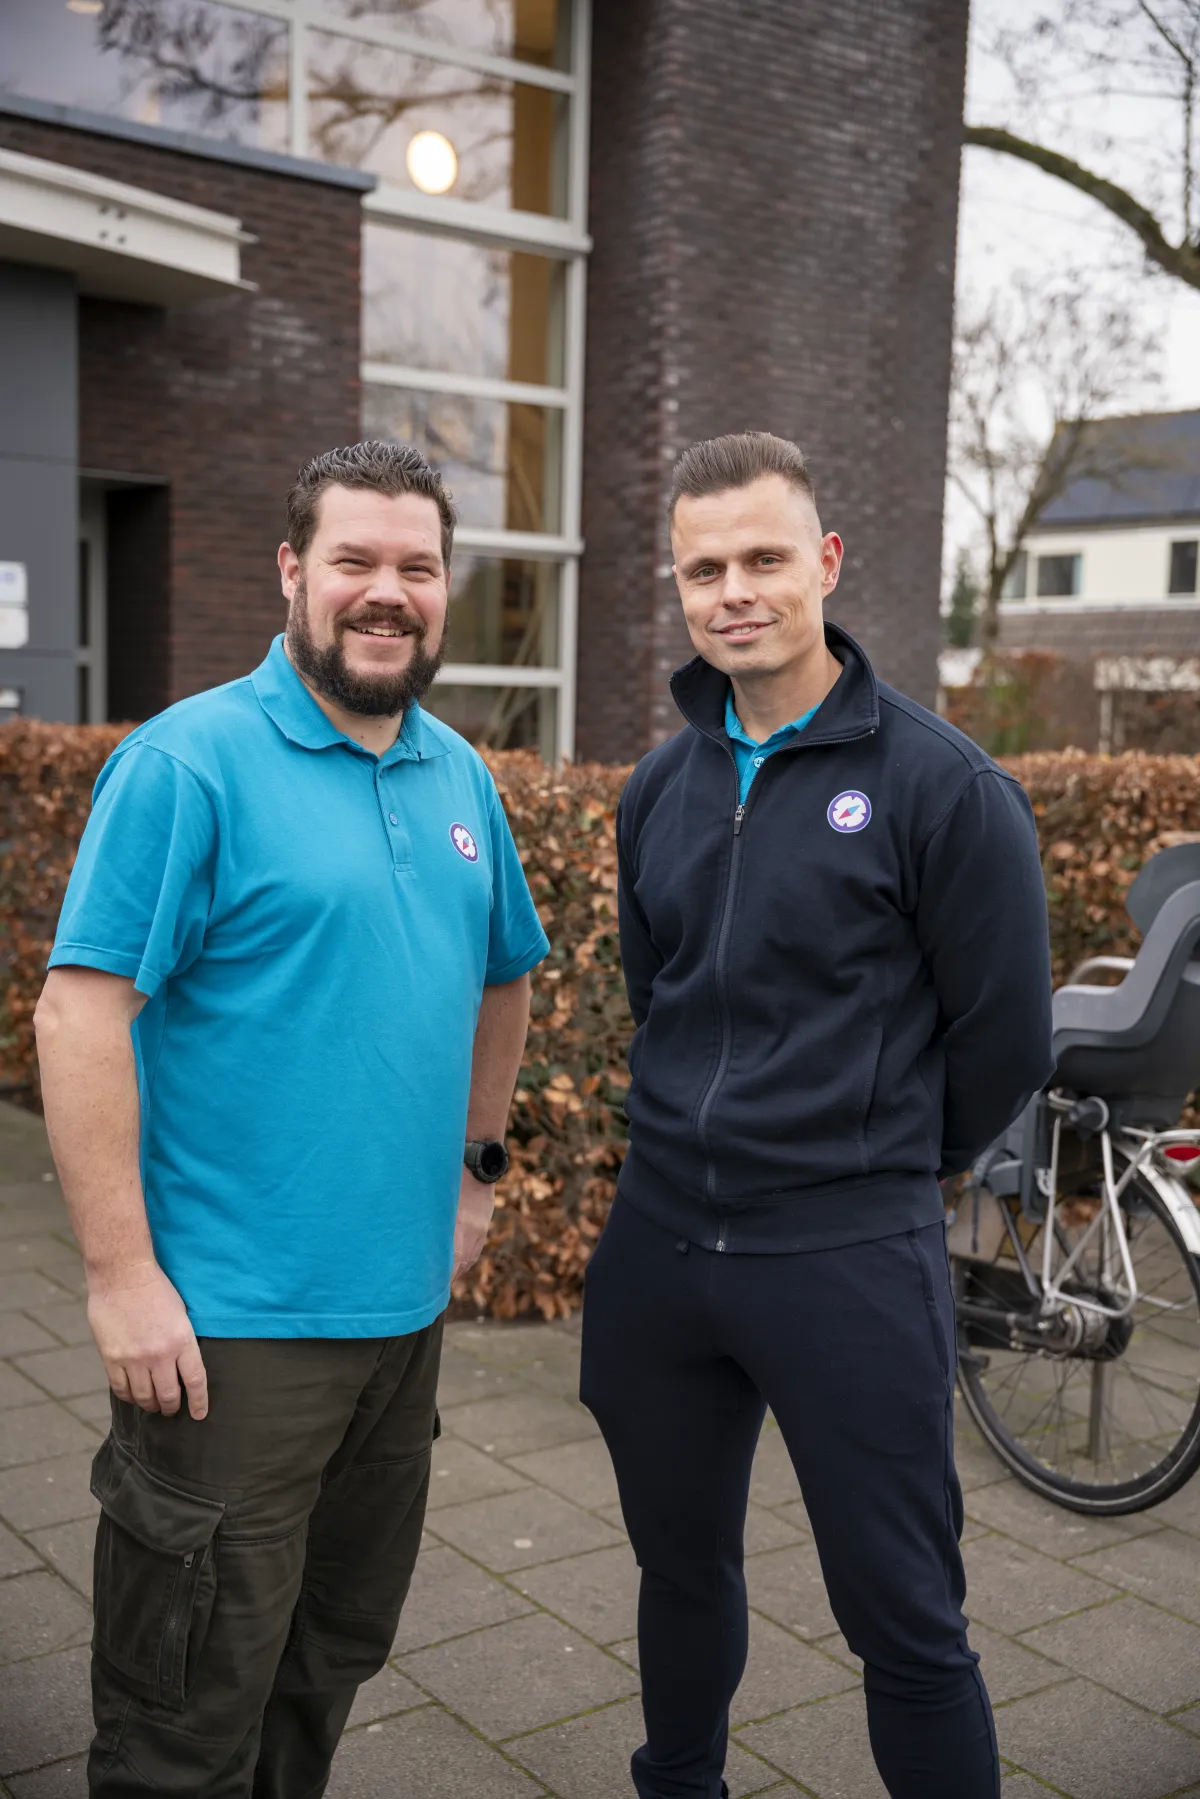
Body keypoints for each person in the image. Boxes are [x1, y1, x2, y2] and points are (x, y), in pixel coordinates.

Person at [34, 440, 548, 1798]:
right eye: (354, 561)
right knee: (186, 1713)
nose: (388, 592)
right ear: (291, 571)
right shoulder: (186, 763)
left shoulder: (460, 777)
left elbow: (504, 973)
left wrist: (478, 1172)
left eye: (417, 567)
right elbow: (79, 1017)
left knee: (329, 1659)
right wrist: (120, 1276)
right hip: (228, 1338)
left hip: (401, 1325)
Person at [580, 431, 1053, 1799]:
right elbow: (660, 993)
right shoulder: (658, 788)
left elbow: (1005, 1041)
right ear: (680, 586)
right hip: (662, 1250)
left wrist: (873, 1163)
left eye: (764, 558)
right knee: (677, 1569)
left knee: (903, 1615)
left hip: (846, 1257)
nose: (734, 591)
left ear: (826, 563)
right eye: (704, 569)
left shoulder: (946, 787)